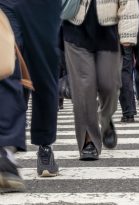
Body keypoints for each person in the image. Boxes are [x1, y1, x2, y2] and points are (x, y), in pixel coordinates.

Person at [63, 0, 139, 160]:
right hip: (75, 29)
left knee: (109, 85)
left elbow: (128, 3)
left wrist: (127, 34)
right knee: (84, 88)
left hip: (107, 32)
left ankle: (105, 118)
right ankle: (88, 141)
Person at [0, 0, 61, 192]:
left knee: (44, 76)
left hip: (44, 7)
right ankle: (6, 151)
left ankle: (44, 144)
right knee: (6, 64)